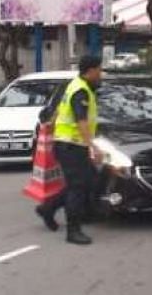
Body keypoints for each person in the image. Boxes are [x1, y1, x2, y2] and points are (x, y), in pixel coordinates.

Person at [34, 55, 104, 245]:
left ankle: (48, 208)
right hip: (71, 145)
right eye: (99, 69)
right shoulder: (80, 90)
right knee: (77, 188)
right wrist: (93, 146)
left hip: (71, 144)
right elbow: (81, 120)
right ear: (90, 71)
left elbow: (59, 111)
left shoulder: (76, 85)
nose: (101, 73)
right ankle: (73, 231)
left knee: (88, 181)